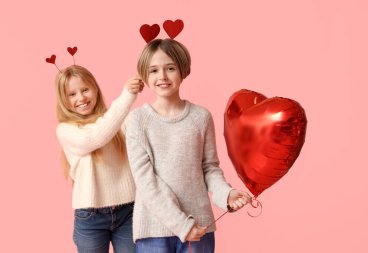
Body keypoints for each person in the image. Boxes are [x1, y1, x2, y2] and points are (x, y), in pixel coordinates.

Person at [126, 39, 252, 253]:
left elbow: (209, 168)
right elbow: (146, 181)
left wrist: (226, 194)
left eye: (170, 68)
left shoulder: (200, 117)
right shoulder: (138, 120)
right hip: (154, 230)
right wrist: (182, 225)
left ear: (183, 70)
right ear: (145, 76)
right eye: (154, 70)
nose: (162, 77)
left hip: (200, 228)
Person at [55, 64, 143, 253]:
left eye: (85, 89)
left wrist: (151, 79)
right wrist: (127, 95)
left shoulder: (116, 120)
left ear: (95, 88)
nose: (81, 98)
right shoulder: (66, 130)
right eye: (72, 94)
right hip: (90, 217)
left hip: (129, 211)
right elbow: (94, 137)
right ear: (63, 100)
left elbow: (143, 120)